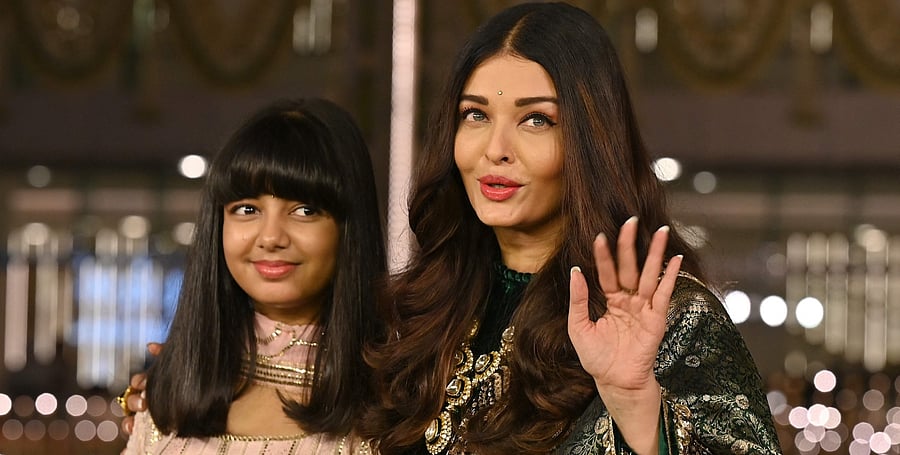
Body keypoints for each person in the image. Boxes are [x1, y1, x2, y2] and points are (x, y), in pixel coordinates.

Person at [360, 3, 781, 454]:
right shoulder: (421, 311)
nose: (495, 149)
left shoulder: (670, 320)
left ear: (590, 141)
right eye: (476, 115)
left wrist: (636, 405)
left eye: (536, 120)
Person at [120, 97, 384, 454]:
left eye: (305, 210)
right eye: (247, 209)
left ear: (350, 229)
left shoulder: (395, 400)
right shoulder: (172, 391)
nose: (271, 237)